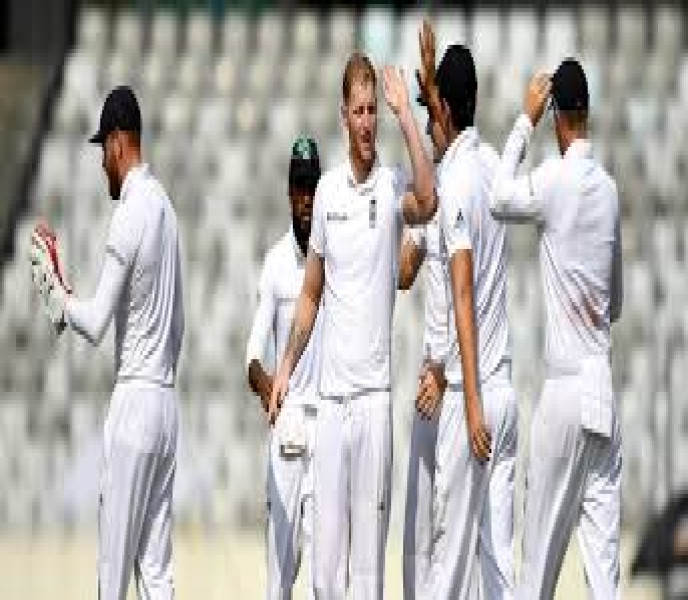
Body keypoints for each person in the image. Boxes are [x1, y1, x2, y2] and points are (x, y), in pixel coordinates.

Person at [270, 52, 437, 598]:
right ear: (344, 115)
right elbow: (310, 293)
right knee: (325, 575)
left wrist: (407, 116)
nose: (367, 122)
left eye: (373, 112)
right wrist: (284, 369)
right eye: (359, 111)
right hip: (331, 401)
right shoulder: (326, 193)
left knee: (366, 574)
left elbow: (429, 200)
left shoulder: (391, 185)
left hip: (372, 401)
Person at [30, 85, 184, 600]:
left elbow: (95, 323)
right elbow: (179, 324)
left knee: (112, 574)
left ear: (118, 142)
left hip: (135, 405)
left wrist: (59, 294)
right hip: (166, 407)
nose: (102, 163)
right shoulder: (166, 209)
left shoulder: (131, 211)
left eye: (103, 149)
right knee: (157, 574)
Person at [490, 60, 623, 599]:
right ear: (586, 113)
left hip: (565, 388)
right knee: (604, 574)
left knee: (537, 568)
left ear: (557, 119)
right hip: (602, 389)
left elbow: (499, 197)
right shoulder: (609, 191)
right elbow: (616, 302)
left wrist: (524, 121)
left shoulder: (553, 178)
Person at [412, 40, 517, 600]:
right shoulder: (493, 165)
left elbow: (462, 290)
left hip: (469, 398)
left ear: (445, 110)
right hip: (505, 394)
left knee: (447, 566)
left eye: (434, 108)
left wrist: (466, 394)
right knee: (496, 569)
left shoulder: (453, 183)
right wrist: (431, 90)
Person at [245, 135, 322, 599]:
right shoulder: (275, 262)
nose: (306, 199)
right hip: (288, 424)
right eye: (300, 188)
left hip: (329, 425)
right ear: (289, 193)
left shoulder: (336, 260)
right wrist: (267, 384)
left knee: (325, 579)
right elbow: (253, 354)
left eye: (312, 187)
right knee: (279, 579)